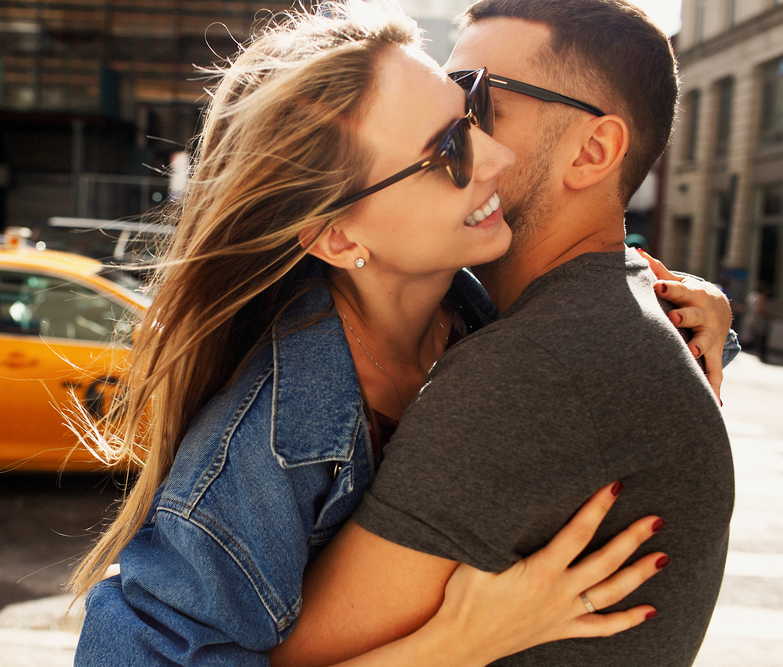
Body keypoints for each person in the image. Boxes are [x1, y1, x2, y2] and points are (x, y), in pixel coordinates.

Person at [71, 2, 733, 665]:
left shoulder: (480, 322)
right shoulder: (269, 429)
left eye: (476, 106)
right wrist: (456, 643)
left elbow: (596, 350)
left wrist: (698, 316)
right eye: (450, 146)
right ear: (338, 235)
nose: (494, 153)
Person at [268, 2, 735, 666]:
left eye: (478, 100)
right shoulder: (625, 312)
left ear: (593, 151)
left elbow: (287, 659)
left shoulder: (538, 366)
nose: (461, 132)